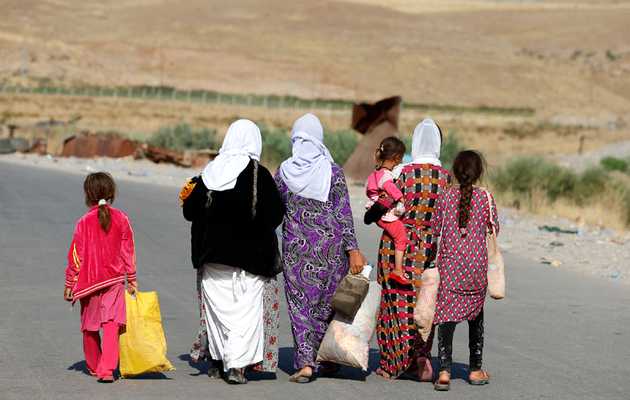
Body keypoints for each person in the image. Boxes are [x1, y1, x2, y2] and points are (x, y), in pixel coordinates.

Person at [180, 119, 285, 385]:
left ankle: (219, 362)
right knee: (245, 314)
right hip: (251, 260)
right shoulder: (257, 174)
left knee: (219, 313)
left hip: (212, 257)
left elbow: (189, 211)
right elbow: (275, 214)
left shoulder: (209, 173)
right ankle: (236, 366)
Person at [275, 113, 367, 383]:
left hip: (296, 252)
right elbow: (343, 213)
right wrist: (353, 249)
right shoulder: (332, 171)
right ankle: (325, 359)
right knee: (327, 305)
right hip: (331, 252)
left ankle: (306, 362)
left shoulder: (284, 172)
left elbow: (274, 209)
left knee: (301, 307)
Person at [375, 118, 451, 381]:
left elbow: (384, 204)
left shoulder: (403, 173)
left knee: (395, 300)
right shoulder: (446, 178)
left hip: (398, 242)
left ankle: (393, 364)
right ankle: (421, 355)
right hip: (429, 246)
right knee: (424, 301)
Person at [431, 150, 499, 391]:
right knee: (475, 317)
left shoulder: (445, 197)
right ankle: (474, 369)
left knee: (446, 318)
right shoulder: (486, 198)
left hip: (450, 269)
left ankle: (445, 372)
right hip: (476, 270)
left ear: (456, 172)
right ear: (479, 172)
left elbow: (434, 229)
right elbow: (494, 230)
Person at [63, 172, 137, 383]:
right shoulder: (122, 218)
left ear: (88, 195)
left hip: (89, 283)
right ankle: (107, 370)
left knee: (89, 326)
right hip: (113, 281)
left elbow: (76, 256)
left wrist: (70, 284)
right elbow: (128, 251)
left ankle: (95, 366)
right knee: (111, 324)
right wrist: (131, 279)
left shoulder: (83, 222)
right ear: (112, 193)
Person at [365, 136, 408, 284]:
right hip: (384, 214)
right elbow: (389, 186)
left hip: (375, 212)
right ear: (396, 158)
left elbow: (370, 190)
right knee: (401, 236)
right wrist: (400, 198)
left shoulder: (375, 173)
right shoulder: (387, 175)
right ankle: (398, 269)